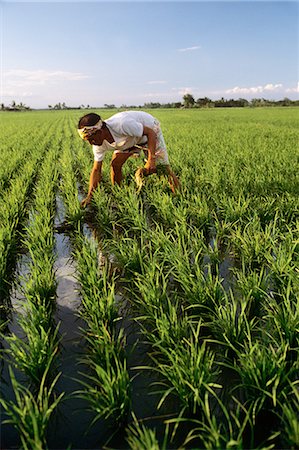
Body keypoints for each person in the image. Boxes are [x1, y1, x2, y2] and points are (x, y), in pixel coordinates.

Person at [77, 111, 180, 207]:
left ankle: (180, 196)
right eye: (88, 140)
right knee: (115, 164)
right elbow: (96, 169)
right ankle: (119, 195)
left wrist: (151, 159)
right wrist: (90, 196)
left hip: (149, 132)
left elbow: (151, 133)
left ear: (100, 131)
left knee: (163, 168)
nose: (91, 143)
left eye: (91, 139)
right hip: (128, 140)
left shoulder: (122, 124)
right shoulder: (98, 144)